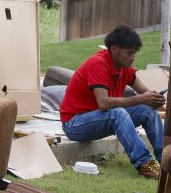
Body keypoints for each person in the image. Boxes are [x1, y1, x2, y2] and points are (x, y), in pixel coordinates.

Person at [59, 24, 165, 179]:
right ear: (114, 49)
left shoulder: (125, 68)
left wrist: (156, 101)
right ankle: (145, 164)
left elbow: (145, 93)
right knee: (118, 113)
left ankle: (166, 160)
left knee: (147, 110)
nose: (133, 57)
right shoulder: (98, 64)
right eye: (129, 53)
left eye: (135, 53)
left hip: (98, 119)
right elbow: (104, 103)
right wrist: (142, 98)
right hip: (74, 124)